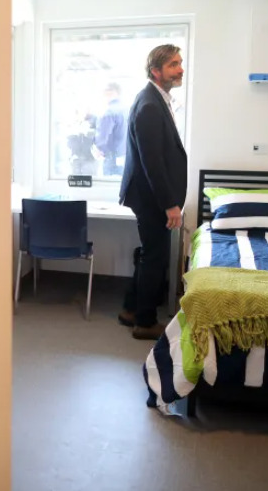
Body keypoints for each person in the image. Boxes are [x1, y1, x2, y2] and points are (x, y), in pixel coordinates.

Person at [117, 45, 187, 340]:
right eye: (173, 65)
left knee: (150, 255)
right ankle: (145, 322)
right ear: (156, 71)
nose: (180, 69)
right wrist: (170, 204)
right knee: (155, 257)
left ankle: (131, 309)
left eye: (180, 63)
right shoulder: (148, 105)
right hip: (151, 198)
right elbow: (152, 162)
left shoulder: (156, 99)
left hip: (150, 196)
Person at [94, 83, 126, 177]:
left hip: (112, 158)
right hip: (127, 157)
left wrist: (99, 150)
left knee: (108, 188)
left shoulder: (108, 112)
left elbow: (103, 137)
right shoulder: (129, 109)